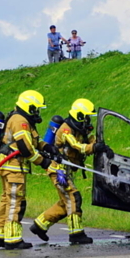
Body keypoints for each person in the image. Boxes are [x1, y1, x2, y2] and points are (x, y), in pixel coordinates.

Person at [31, 98, 99, 245]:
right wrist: (94, 147)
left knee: (65, 203)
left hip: (65, 171)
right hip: (58, 171)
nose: (88, 121)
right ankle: (76, 234)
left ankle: (39, 225)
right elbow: (77, 146)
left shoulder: (77, 129)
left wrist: (97, 144)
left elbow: (85, 145)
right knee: (74, 198)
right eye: (87, 117)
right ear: (79, 116)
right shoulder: (66, 130)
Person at [0, 90, 51, 250]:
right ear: (29, 106)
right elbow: (25, 147)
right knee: (15, 202)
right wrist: (43, 161)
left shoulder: (21, 119)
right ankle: (12, 238)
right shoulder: (20, 120)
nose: (37, 113)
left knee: (6, 200)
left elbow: (33, 141)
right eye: (36, 109)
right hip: (13, 167)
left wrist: (48, 148)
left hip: (9, 166)